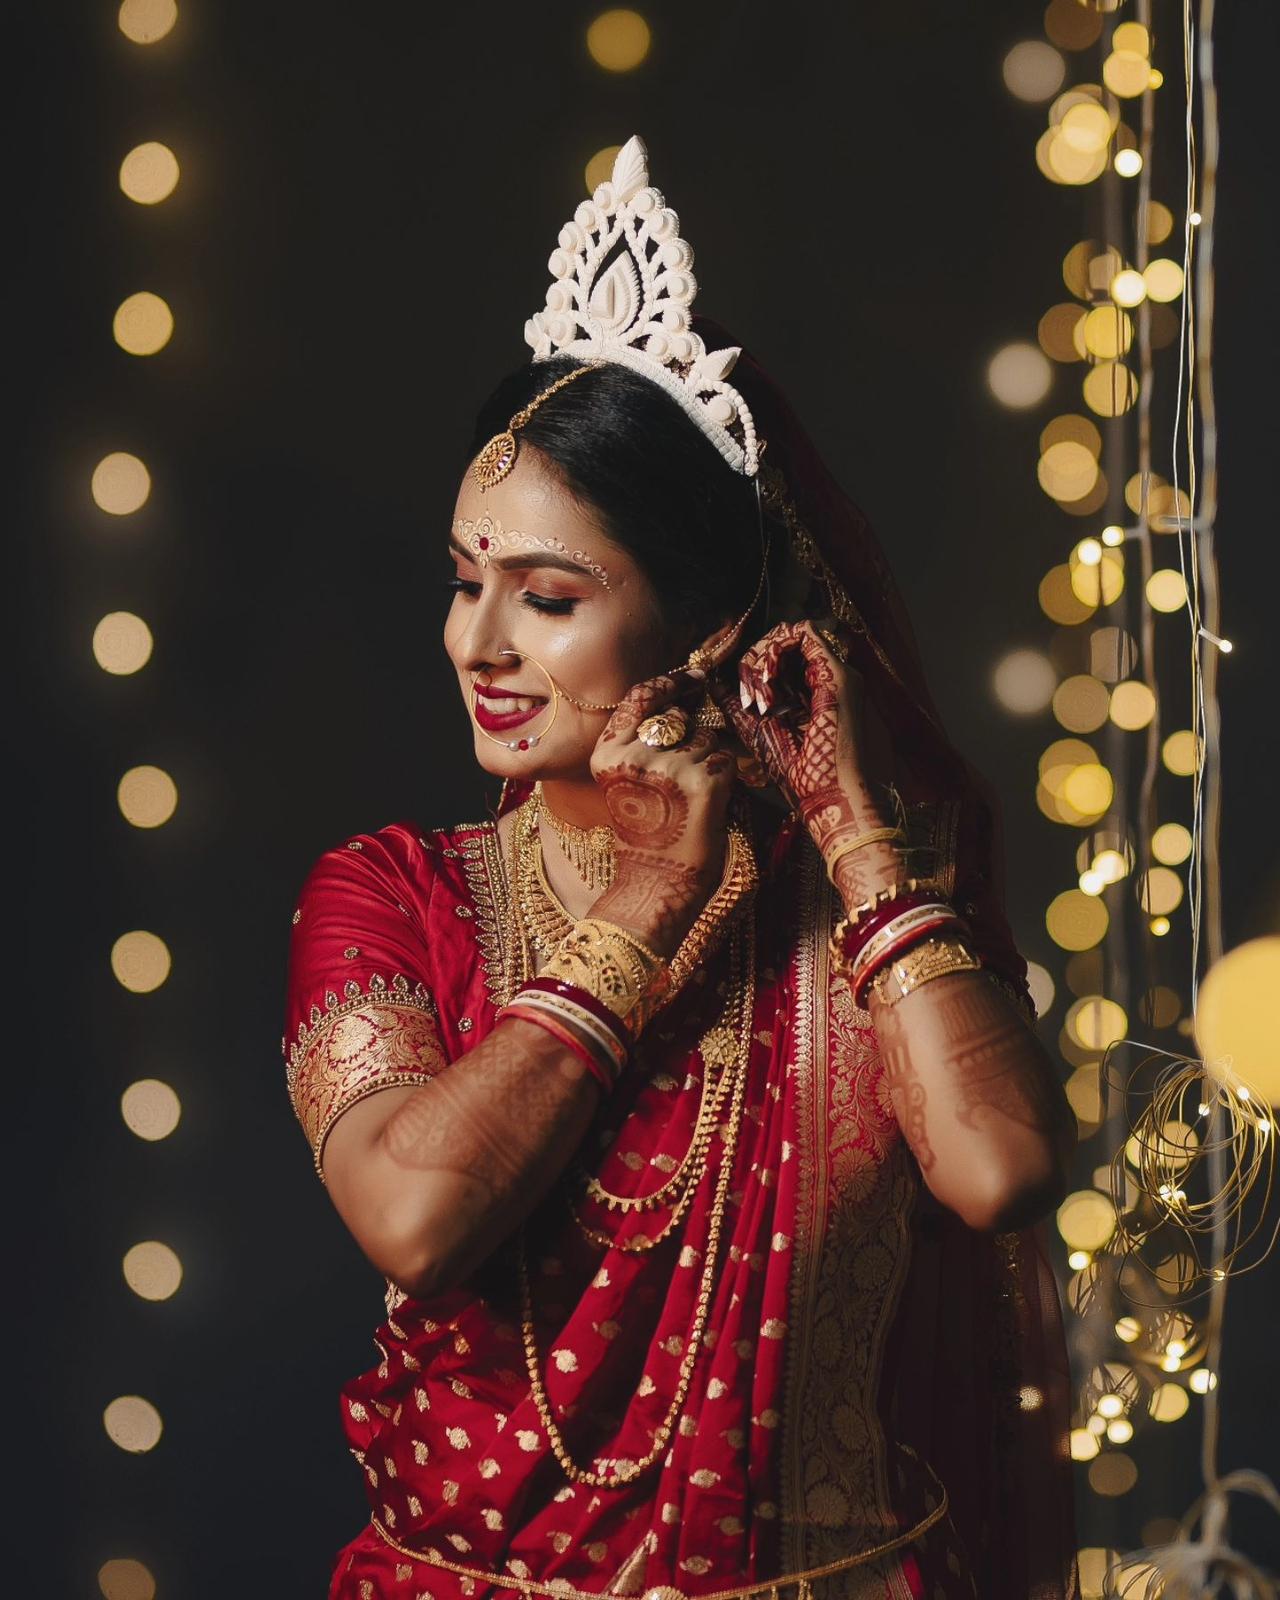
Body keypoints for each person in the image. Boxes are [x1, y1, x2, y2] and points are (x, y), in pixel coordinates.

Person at [283, 135, 1081, 1600]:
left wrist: (854, 832)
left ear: (705, 623)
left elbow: (1003, 1169)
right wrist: (654, 897)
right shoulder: (397, 893)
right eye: (468, 583)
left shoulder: (862, 912)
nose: (480, 644)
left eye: (550, 597)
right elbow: (412, 1214)